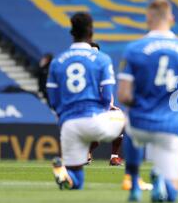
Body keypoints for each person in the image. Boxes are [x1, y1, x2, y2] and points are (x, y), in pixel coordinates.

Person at [117, 0, 178, 203]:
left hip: (140, 122)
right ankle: (161, 183)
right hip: (169, 126)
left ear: (148, 18)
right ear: (171, 18)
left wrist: (141, 105)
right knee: (172, 195)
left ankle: (134, 181)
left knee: (132, 132)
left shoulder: (134, 49)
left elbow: (123, 95)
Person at [46, 12, 125, 190]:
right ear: (91, 32)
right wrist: (103, 112)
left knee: (76, 181)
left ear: (71, 33)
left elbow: (52, 96)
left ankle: (63, 172)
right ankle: (133, 177)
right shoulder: (102, 59)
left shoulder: (58, 61)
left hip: (69, 124)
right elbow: (106, 96)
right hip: (94, 119)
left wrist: (62, 115)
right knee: (126, 119)